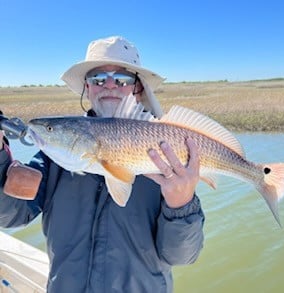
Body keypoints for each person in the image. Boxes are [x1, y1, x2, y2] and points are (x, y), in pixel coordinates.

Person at [0, 36, 205, 292]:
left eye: (122, 79)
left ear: (138, 88)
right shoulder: (53, 158)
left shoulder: (165, 152)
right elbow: (8, 215)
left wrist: (182, 206)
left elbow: (183, 256)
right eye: (98, 79)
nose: (109, 85)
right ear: (87, 88)